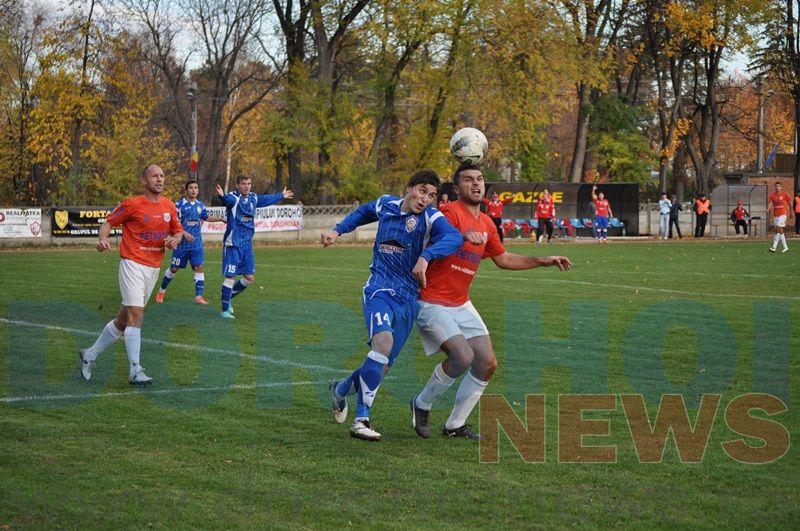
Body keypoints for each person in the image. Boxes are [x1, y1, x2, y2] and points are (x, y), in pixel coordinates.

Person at [410, 164, 572, 440]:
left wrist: (541, 260)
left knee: (487, 363)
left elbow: (503, 258)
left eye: (480, 179)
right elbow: (438, 235)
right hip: (432, 300)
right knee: (462, 357)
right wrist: (460, 237)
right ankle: (422, 404)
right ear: (457, 188)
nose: (476, 184)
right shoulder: (449, 213)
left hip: (460, 302)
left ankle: (455, 425)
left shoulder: (486, 223)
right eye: (468, 180)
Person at [323, 170, 463, 441]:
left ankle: (339, 390)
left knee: (382, 366)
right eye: (422, 191)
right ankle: (361, 420)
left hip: (409, 299)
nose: (425, 199)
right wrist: (337, 230)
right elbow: (363, 212)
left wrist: (426, 256)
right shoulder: (386, 204)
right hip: (379, 289)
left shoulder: (431, 217)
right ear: (409, 187)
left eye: (431, 195)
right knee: (383, 343)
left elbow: (454, 238)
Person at [78, 165, 184, 384]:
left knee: (123, 320)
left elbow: (178, 231)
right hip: (132, 263)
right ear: (144, 181)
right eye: (154, 176)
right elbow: (108, 223)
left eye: (162, 176)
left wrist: (175, 239)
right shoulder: (132, 204)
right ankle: (135, 370)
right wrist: (103, 239)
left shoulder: (169, 206)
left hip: (153, 268)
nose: (160, 179)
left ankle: (90, 354)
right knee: (136, 314)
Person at [215, 176, 294, 318]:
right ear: (237, 185)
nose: (246, 186)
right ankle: (225, 310)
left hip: (247, 245)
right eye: (243, 184)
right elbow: (227, 200)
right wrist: (222, 197)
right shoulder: (234, 197)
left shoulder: (253, 198)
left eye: (249, 183)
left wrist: (281, 195)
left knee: (249, 278)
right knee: (231, 276)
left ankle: (228, 297)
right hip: (233, 243)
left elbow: (266, 199)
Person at [155, 180, 226, 305]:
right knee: (174, 269)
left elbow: (205, 217)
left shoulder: (200, 204)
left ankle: (199, 296)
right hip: (180, 244)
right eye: (191, 188)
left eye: (196, 188)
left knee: (199, 267)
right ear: (186, 190)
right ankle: (161, 291)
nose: (194, 190)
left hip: (196, 243)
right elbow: (172, 223)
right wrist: (183, 233)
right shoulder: (179, 205)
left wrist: (220, 218)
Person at [768, 181, 794, 253]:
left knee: (778, 228)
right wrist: (768, 209)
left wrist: (791, 212)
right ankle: (785, 247)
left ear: (781, 187)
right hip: (775, 215)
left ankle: (774, 246)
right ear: (775, 187)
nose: (777, 187)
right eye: (776, 186)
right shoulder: (772, 195)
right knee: (780, 231)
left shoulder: (784, 194)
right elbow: (770, 203)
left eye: (779, 186)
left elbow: (790, 203)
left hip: (783, 214)